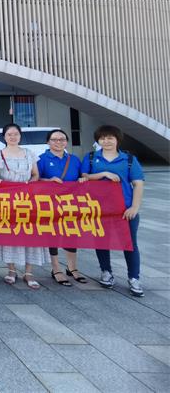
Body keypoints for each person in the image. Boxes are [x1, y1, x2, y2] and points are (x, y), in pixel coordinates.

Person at [81, 125, 145, 297]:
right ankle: (106, 272)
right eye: (102, 138)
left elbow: (138, 183)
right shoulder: (92, 157)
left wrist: (134, 207)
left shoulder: (129, 159)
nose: (106, 141)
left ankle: (134, 278)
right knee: (102, 241)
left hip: (124, 210)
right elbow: (84, 177)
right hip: (99, 209)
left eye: (110, 138)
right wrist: (104, 174)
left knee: (130, 244)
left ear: (117, 140)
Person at [0, 123, 47, 289]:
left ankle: (29, 272)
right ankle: (11, 270)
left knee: (30, 234)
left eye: (16, 134)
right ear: (4, 137)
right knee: (9, 234)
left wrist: (30, 184)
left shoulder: (29, 153)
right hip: (7, 201)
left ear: (20, 136)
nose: (13, 137)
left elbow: (36, 174)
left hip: (27, 200)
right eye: (9, 134)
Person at [37, 128, 87, 286]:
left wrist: (83, 179)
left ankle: (72, 268)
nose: (58, 142)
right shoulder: (42, 159)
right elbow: (35, 180)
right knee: (53, 235)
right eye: (54, 139)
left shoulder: (74, 159)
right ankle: (56, 268)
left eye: (62, 139)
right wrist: (49, 180)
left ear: (66, 142)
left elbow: (83, 176)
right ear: (48, 142)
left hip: (71, 203)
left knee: (71, 235)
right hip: (50, 204)